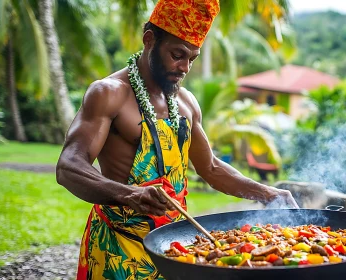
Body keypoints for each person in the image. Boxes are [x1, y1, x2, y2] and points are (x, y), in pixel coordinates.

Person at [55, 0, 299, 279]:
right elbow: (69, 167)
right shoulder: (109, 93)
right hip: (118, 246)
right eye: (177, 54)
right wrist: (130, 195)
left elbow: (211, 168)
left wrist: (268, 194)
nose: (184, 67)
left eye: (192, 58)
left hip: (174, 248)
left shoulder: (185, 102)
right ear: (149, 40)